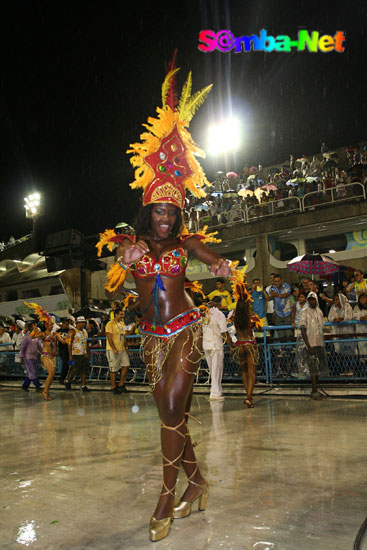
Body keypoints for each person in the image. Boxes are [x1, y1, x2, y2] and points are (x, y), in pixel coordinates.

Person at [97, 66, 232, 542]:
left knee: (174, 405)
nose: (165, 217)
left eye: (172, 211)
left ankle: (166, 496)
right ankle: (195, 482)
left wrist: (219, 266)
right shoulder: (128, 241)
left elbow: (207, 254)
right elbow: (117, 253)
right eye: (159, 210)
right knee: (170, 416)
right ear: (147, 211)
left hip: (186, 329)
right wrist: (125, 254)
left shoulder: (186, 243)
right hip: (150, 339)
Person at [298, 292, 329, 399]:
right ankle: (314, 390)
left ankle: (316, 390)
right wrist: (308, 345)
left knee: (318, 368)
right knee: (312, 368)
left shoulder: (319, 311)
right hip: (310, 344)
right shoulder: (304, 312)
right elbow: (302, 328)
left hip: (319, 343)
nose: (312, 301)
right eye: (310, 300)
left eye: (313, 299)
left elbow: (321, 328)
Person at [203, 296, 234, 401]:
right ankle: (215, 393)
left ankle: (217, 390)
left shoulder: (204, 313)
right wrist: (230, 346)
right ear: (219, 304)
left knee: (213, 370)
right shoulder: (219, 314)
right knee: (217, 369)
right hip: (216, 345)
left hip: (206, 345)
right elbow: (224, 332)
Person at [233, 298, 260, 408]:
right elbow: (260, 327)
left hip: (239, 345)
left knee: (244, 373)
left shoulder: (235, 318)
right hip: (250, 345)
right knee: (252, 373)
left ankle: (248, 395)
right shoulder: (251, 318)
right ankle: (249, 398)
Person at [105, 307, 130, 394]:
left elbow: (124, 336)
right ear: (116, 314)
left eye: (123, 314)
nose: (122, 316)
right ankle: (113, 386)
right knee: (114, 369)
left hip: (122, 349)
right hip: (112, 349)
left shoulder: (122, 323)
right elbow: (109, 336)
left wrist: (126, 347)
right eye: (121, 314)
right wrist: (114, 348)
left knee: (126, 365)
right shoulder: (110, 324)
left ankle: (121, 384)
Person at [65, 316, 91, 392]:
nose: (83, 324)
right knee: (74, 369)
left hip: (83, 353)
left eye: (84, 322)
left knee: (84, 370)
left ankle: (83, 385)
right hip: (75, 353)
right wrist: (70, 355)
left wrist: (88, 353)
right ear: (77, 323)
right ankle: (67, 380)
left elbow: (86, 343)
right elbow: (69, 343)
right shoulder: (73, 331)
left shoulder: (85, 332)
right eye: (81, 322)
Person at [18, 321, 42, 392]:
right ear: (31, 327)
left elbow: (39, 346)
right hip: (28, 357)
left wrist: (43, 352)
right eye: (34, 325)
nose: (36, 326)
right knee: (33, 371)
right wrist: (21, 356)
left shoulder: (36, 335)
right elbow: (22, 347)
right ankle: (37, 386)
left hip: (34, 356)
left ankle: (24, 386)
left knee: (29, 372)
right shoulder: (27, 336)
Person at [56, 318, 73, 383]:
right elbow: (61, 341)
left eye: (68, 324)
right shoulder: (58, 331)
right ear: (62, 324)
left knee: (71, 363)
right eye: (66, 324)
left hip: (69, 349)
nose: (67, 326)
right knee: (65, 362)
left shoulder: (69, 331)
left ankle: (69, 377)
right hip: (62, 349)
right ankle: (62, 378)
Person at [353, 293, 367, 359]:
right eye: (360, 298)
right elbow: (354, 316)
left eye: (364, 297)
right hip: (361, 331)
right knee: (362, 350)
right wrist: (362, 318)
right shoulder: (357, 307)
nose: (362, 299)